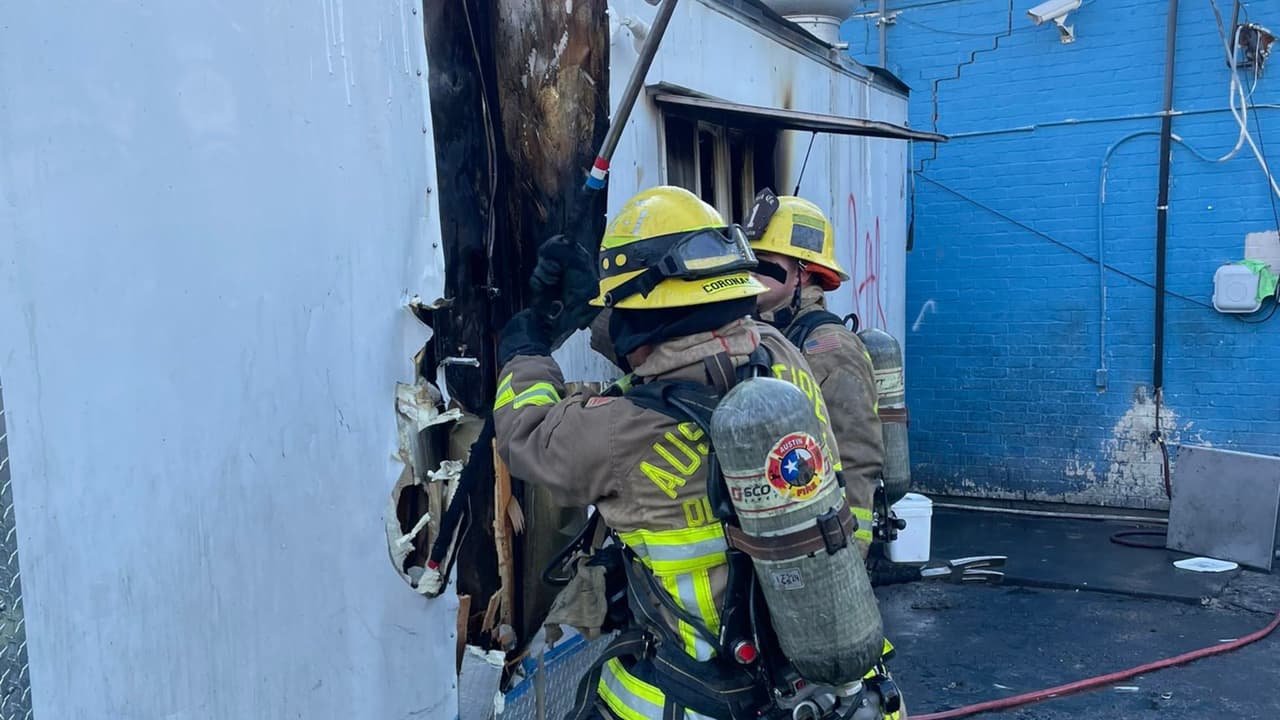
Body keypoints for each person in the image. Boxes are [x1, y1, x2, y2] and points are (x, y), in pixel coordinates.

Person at [493, 186, 891, 720]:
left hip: (701, 694)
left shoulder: (622, 430)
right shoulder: (783, 353)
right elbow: (689, 341)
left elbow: (527, 432)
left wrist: (526, 352)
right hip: (828, 676)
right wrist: (597, 307)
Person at [746, 193, 884, 556]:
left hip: (823, 545)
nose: (750, 269)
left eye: (764, 260)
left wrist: (849, 555)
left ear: (802, 271)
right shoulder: (759, 331)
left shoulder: (829, 347)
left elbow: (857, 455)